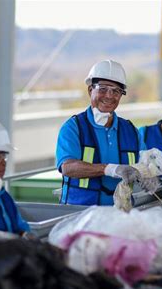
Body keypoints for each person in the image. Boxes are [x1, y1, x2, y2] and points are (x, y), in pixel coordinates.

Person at [56, 60, 143, 206]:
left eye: (116, 91)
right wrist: (109, 169)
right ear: (90, 90)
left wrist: (149, 172)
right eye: (102, 88)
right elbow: (67, 167)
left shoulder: (131, 131)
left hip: (120, 214)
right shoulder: (73, 127)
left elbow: (143, 163)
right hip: (79, 214)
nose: (109, 96)